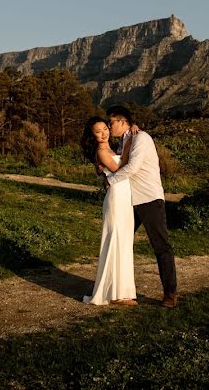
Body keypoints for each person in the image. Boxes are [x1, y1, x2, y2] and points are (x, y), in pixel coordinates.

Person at [105, 105, 178, 308]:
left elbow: (133, 167)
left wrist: (110, 180)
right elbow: (118, 162)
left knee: (161, 246)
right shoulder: (123, 143)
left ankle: (170, 293)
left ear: (122, 121)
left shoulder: (141, 138)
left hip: (149, 199)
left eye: (111, 123)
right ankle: (118, 289)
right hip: (128, 201)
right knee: (121, 243)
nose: (109, 127)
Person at [80, 116, 138, 306]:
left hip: (124, 196)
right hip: (115, 198)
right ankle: (117, 294)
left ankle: (121, 291)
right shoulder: (102, 151)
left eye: (105, 128)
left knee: (123, 242)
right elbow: (121, 169)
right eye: (98, 131)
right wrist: (132, 142)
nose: (104, 133)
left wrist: (130, 133)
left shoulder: (111, 148)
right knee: (115, 241)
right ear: (92, 135)